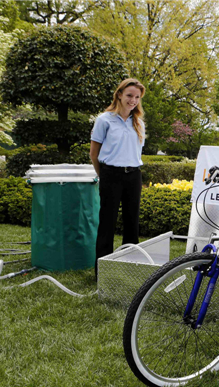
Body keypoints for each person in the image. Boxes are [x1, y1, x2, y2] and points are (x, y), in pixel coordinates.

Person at [90, 78, 146, 278]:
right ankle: (102, 273)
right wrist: (103, 175)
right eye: (130, 95)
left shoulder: (138, 123)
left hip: (133, 176)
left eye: (137, 97)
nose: (133, 100)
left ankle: (131, 268)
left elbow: (134, 152)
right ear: (120, 94)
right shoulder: (104, 120)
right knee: (107, 223)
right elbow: (94, 154)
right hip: (110, 175)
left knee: (132, 223)